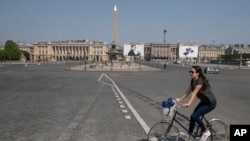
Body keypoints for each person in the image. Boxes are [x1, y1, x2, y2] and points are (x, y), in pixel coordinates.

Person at [175, 66, 217, 141]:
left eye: (192, 72)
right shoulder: (193, 80)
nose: (190, 73)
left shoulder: (200, 81)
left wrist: (189, 103)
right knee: (192, 117)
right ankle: (189, 134)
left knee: (195, 116)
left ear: (198, 73)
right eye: (190, 71)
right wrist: (180, 99)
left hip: (210, 103)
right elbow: (188, 91)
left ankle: (206, 131)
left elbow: (194, 93)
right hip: (204, 102)